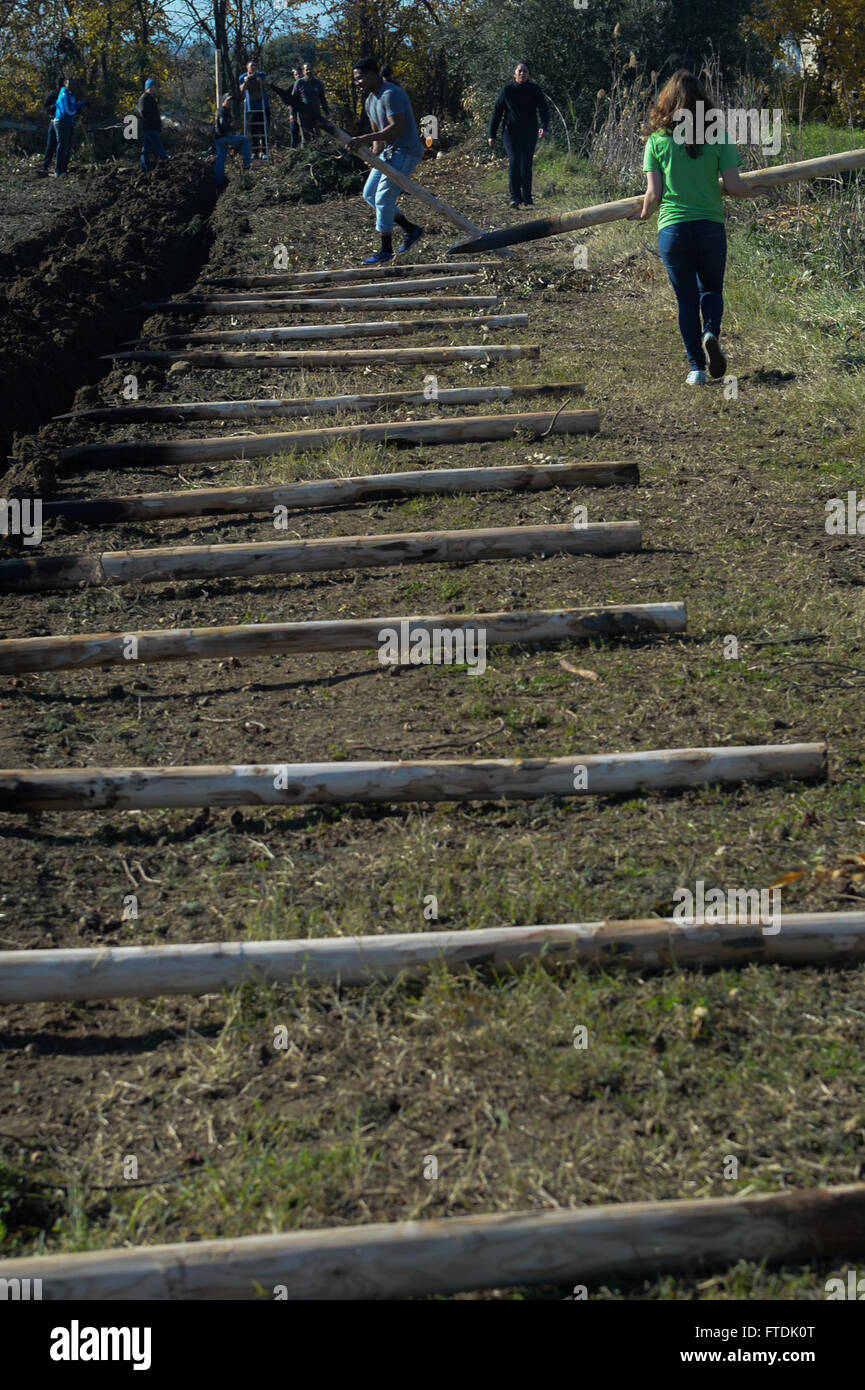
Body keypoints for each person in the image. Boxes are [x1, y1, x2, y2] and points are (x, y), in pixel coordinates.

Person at [637, 69, 767, 386]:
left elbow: (653, 195)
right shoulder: (718, 135)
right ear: (703, 102)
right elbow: (734, 186)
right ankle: (711, 332)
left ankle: (696, 369)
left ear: (666, 102)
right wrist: (756, 192)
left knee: (686, 301)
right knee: (711, 289)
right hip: (709, 228)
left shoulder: (657, 140)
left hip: (673, 231)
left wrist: (641, 215)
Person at [348, 56, 424, 265]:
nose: (357, 83)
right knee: (370, 194)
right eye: (355, 79)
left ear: (373, 74)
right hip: (389, 152)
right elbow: (379, 137)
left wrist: (363, 138)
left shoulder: (391, 94)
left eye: (360, 78)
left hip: (406, 151)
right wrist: (373, 155)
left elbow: (396, 129)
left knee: (383, 198)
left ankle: (386, 250)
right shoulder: (369, 101)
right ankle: (410, 229)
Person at [488, 61, 548, 209]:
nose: (522, 73)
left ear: (529, 74)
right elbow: (497, 112)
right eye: (520, 71)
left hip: (529, 132)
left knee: (526, 164)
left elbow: (544, 109)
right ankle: (515, 198)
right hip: (511, 132)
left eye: (525, 71)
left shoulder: (535, 90)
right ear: (514, 74)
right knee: (514, 162)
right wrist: (492, 134)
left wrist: (543, 126)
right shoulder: (507, 90)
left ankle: (527, 199)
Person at [43, 76, 86, 178]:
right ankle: (53, 168)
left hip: (67, 121)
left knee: (66, 146)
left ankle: (63, 169)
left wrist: (81, 106)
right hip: (58, 121)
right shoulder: (60, 94)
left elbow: (73, 106)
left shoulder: (70, 95)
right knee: (56, 145)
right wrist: (74, 111)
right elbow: (65, 110)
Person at [214, 94, 251, 188]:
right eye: (228, 100)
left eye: (231, 101)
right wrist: (229, 131)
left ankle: (218, 183)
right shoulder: (222, 110)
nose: (230, 102)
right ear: (223, 101)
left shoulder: (223, 111)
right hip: (224, 137)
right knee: (245, 140)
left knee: (220, 159)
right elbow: (222, 123)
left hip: (218, 139)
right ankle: (246, 165)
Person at [292, 60, 329, 144]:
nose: (309, 71)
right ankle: (306, 152)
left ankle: (319, 151)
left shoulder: (318, 83)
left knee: (318, 137)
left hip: (316, 113)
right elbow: (292, 99)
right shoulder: (299, 82)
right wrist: (292, 114)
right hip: (303, 115)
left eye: (310, 69)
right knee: (306, 139)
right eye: (307, 69)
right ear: (303, 71)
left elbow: (322, 99)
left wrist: (326, 112)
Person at [239, 60, 269, 159]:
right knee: (254, 130)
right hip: (251, 107)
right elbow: (241, 89)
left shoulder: (261, 75)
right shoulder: (242, 77)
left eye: (255, 65)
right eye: (252, 66)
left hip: (263, 106)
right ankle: (254, 152)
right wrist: (246, 81)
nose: (254, 67)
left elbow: (266, 85)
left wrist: (260, 81)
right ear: (247, 67)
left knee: (264, 130)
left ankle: (264, 152)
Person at [137, 78, 168, 173]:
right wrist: (153, 121)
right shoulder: (144, 99)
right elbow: (143, 112)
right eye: (150, 87)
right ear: (146, 88)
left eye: (153, 87)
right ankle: (167, 163)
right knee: (159, 147)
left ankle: (143, 169)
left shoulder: (151, 99)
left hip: (151, 127)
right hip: (150, 127)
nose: (152, 89)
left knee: (146, 149)